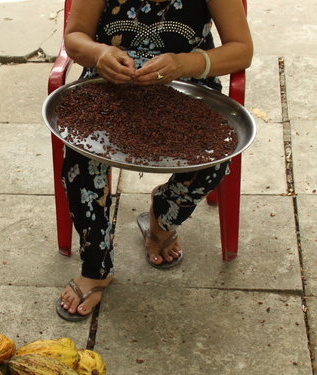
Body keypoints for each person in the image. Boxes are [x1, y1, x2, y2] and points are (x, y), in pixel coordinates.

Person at [56, 0, 253, 321]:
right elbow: (76, 35)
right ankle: (96, 266)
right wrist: (99, 55)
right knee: (80, 160)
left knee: (215, 160)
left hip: (187, 84)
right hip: (107, 85)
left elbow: (241, 50)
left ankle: (162, 217)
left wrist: (183, 64)